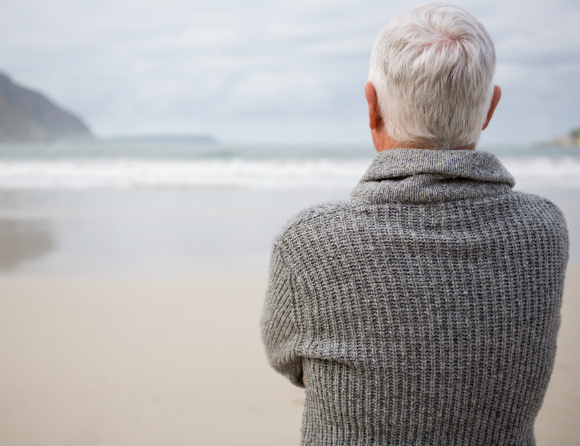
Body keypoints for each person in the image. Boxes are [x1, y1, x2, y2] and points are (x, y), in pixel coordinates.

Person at [260, 2, 569, 445]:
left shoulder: (312, 241)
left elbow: (289, 361)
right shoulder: (543, 228)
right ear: (489, 107)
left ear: (373, 106)